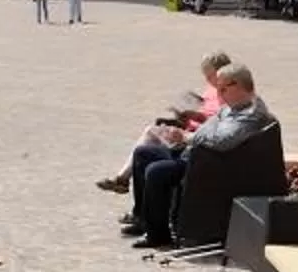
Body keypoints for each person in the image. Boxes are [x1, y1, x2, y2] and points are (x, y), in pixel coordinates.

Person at [127, 65, 272, 250]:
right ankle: (143, 219)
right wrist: (186, 133)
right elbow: (211, 128)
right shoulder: (235, 107)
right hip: (198, 154)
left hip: (209, 165)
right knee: (143, 153)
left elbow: (222, 140)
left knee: (156, 172)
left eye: (223, 88)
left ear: (238, 85)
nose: (219, 93)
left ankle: (158, 235)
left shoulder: (250, 115)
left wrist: (187, 138)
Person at [99, 51, 232, 194]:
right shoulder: (211, 89)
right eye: (206, 75)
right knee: (146, 142)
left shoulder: (229, 95)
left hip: (194, 140)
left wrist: (196, 117)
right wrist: (184, 116)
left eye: (210, 75)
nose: (207, 79)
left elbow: (218, 123)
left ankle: (123, 179)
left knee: (148, 142)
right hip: (186, 130)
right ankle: (123, 180)